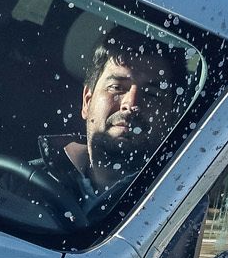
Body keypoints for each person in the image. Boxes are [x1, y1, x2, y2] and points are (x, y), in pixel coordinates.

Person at [52, 27, 176, 196]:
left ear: (172, 117)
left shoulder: (181, 202)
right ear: (87, 101)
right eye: (116, 87)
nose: (131, 104)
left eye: (151, 94)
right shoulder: (27, 181)